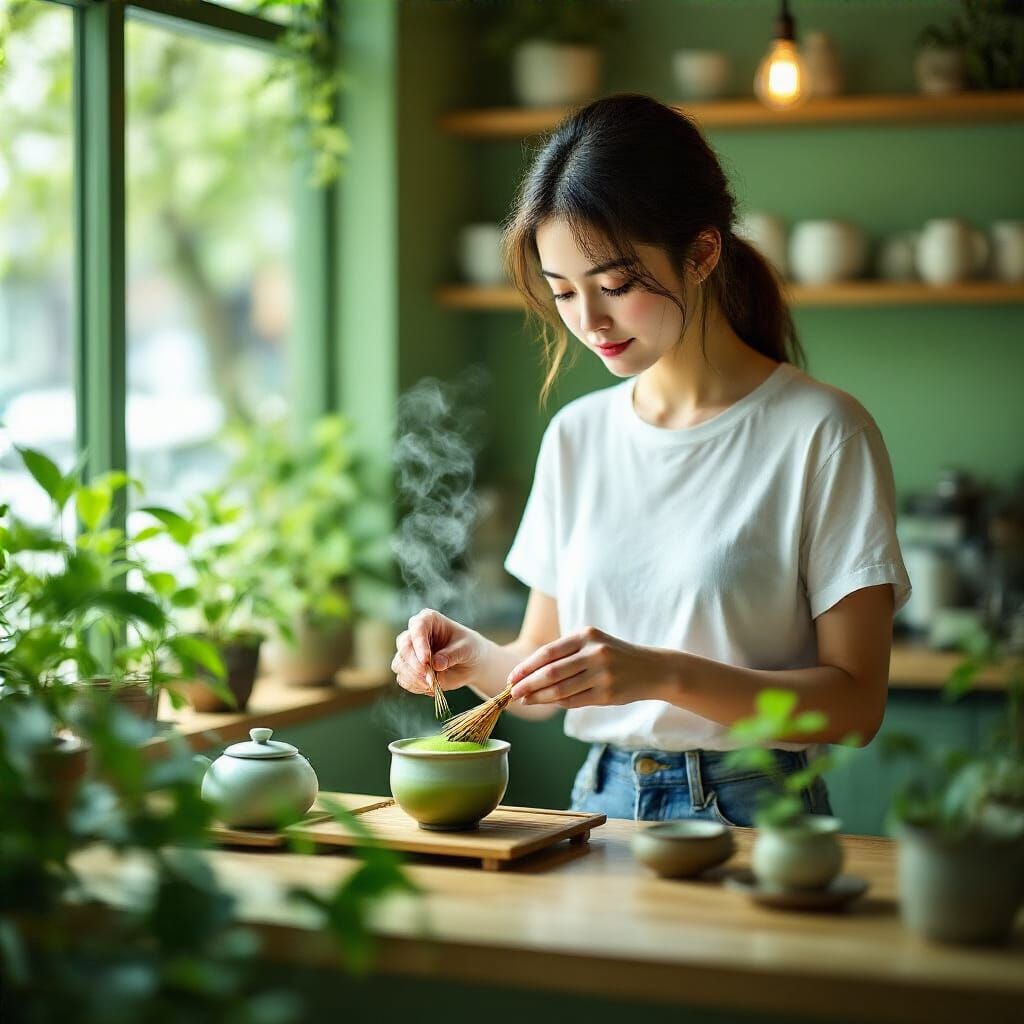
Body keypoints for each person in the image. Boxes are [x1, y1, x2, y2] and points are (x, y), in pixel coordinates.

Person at [392, 94, 911, 825]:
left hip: (757, 810)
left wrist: (660, 674)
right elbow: (542, 674)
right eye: (564, 292)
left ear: (701, 253)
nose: (589, 322)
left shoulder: (823, 433)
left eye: (616, 287)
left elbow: (855, 707)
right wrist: (472, 658)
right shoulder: (578, 436)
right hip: (599, 805)